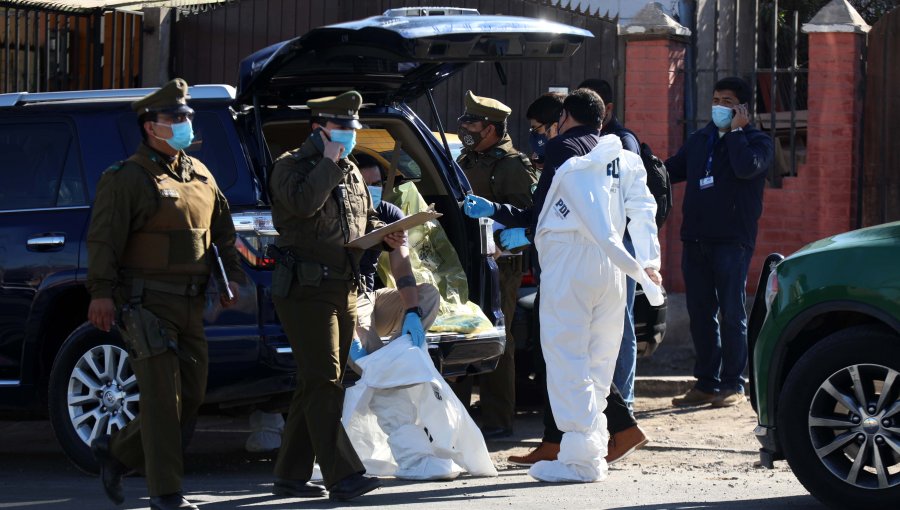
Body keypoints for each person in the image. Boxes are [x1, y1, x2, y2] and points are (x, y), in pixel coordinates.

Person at [467, 91, 650, 469]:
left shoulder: (562, 148)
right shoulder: (615, 153)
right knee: (595, 363)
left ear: (564, 116)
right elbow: (640, 208)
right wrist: (649, 262)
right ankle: (588, 443)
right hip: (611, 264)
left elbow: (543, 210)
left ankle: (579, 455)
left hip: (571, 262)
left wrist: (502, 216)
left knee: (566, 360)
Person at [86, 78, 244, 510]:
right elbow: (103, 240)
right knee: (161, 400)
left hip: (192, 302)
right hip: (146, 302)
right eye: (173, 118)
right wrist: (101, 293)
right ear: (149, 127)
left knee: (190, 396)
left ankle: (116, 453)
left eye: (186, 117)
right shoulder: (127, 178)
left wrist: (229, 279)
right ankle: (166, 494)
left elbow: (223, 234)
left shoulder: (201, 174)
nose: (183, 124)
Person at [266, 90, 383, 501]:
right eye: (343, 128)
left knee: (316, 382)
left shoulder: (349, 169)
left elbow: (362, 218)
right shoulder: (290, 166)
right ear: (319, 129)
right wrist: (328, 162)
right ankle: (343, 475)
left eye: (354, 128)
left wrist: (386, 233)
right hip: (305, 288)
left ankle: (289, 476)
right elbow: (301, 204)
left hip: (343, 286)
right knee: (324, 381)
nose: (352, 135)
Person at [343, 152, 455, 479]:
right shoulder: (336, 212)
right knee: (374, 359)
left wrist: (412, 312)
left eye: (378, 183)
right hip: (342, 297)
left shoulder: (387, 213)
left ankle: (396, 354)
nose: (374, 190)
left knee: (427, 294)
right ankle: (410, 451)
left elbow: (402, 265)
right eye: (367, 184)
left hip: (369, 295)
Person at [668, 77, 774, 408]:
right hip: (696, 238)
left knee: (731, 312)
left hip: (732, 241)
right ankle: (706, 382)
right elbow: (672, 170)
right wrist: (639, 163)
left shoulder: (758, 142)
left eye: (727, 101)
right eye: (716, 99)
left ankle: (732, 382)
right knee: (700, 312)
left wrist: (737, 133)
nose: (719, 106)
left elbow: (746, 169)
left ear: (743, 108)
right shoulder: (700, 140)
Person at [454, 90, 537, 439]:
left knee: (497, 337)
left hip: (500, 263)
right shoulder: (466, 159)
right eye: (464, 120)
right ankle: (456, 417)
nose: (465, 128)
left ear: (491, 128)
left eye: (472, 122)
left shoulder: (513, 165)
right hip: (461, 260)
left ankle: (497, 419)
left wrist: (505, 239)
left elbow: (531, 217)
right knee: (458, 333)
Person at [578, 78, 641, 411]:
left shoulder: (624, 142)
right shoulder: (580, 139)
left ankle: (623, 402)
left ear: (609, 109)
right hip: (591, 240)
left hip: (620, 242)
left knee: (622, 320)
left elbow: (620, 187)